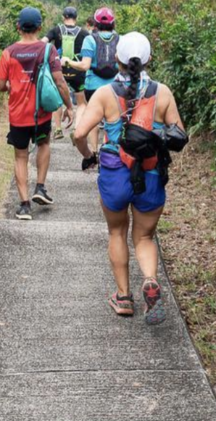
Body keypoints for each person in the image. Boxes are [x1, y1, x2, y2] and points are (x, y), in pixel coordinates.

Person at [73, 32, 184, 325]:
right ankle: (149, 280)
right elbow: (179, 134)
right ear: (149, 60)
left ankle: (123, 297)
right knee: (145, 236)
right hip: (150, 174)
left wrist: (89, 155)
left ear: (117, 59)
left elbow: (79, 133)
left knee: (117, 232)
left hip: (114, 174)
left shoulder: (105, 94)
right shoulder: (164, 93)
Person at [0, 7, 74, 220]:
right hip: (41, 115)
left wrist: (10, 87)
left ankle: (23, 205)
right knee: (44, 144)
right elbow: (59, 81)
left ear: (18, 27)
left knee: (21, 156)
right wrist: (69, 106)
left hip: (18, 116)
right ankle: (40, 187)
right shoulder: (48, 50)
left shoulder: (8, 52)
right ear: (40, 27)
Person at [64, 7, 118, 170]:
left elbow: (85, 65)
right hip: (114, 87)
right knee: (112, 119)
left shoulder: (90, 39)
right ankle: (109, 152)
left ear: (95, 23)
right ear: (113, 24)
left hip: (92, 86)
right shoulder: (119, 39)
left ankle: (93, 153)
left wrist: (67, 61)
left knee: (94, 120)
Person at [43, 6, 89, 140]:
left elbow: (43, 42)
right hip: (77, 71)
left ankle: (58, 129)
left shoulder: (56, 30)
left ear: (63, 17)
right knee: (81, 103)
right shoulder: (84, 33)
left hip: (59, 71)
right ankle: (77, 129)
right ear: (76, 18)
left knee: (58, 101)